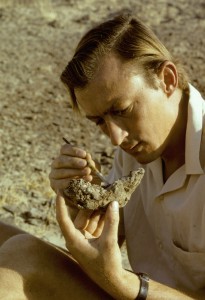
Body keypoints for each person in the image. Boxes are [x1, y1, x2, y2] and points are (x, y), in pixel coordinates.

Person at [0, 14, 204, 300]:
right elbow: (104, 241)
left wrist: (123, 282)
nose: (116, 138)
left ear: (167, 80)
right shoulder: (139, 148)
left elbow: (116, 278)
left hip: (134, 293)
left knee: (20, 257)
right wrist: (81, 204)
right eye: (99, 121)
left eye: (121, 111)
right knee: (13, 244)